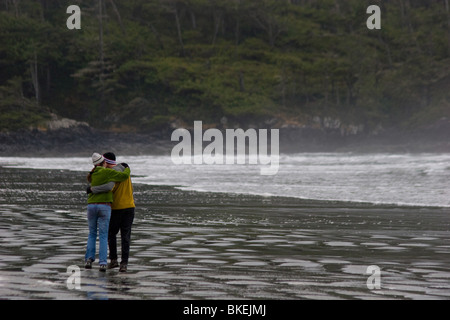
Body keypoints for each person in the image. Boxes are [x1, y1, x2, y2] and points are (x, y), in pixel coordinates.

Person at [85, 153, 131, 272]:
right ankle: (123, 263)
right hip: (130, 206)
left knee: (109, 235)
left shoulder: (110, 173)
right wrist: (127, 168)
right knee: (125, 236)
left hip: (115, 207)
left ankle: (113, 260)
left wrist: (92, 189)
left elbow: (109, 187)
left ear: (106, 162)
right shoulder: (122, 170)